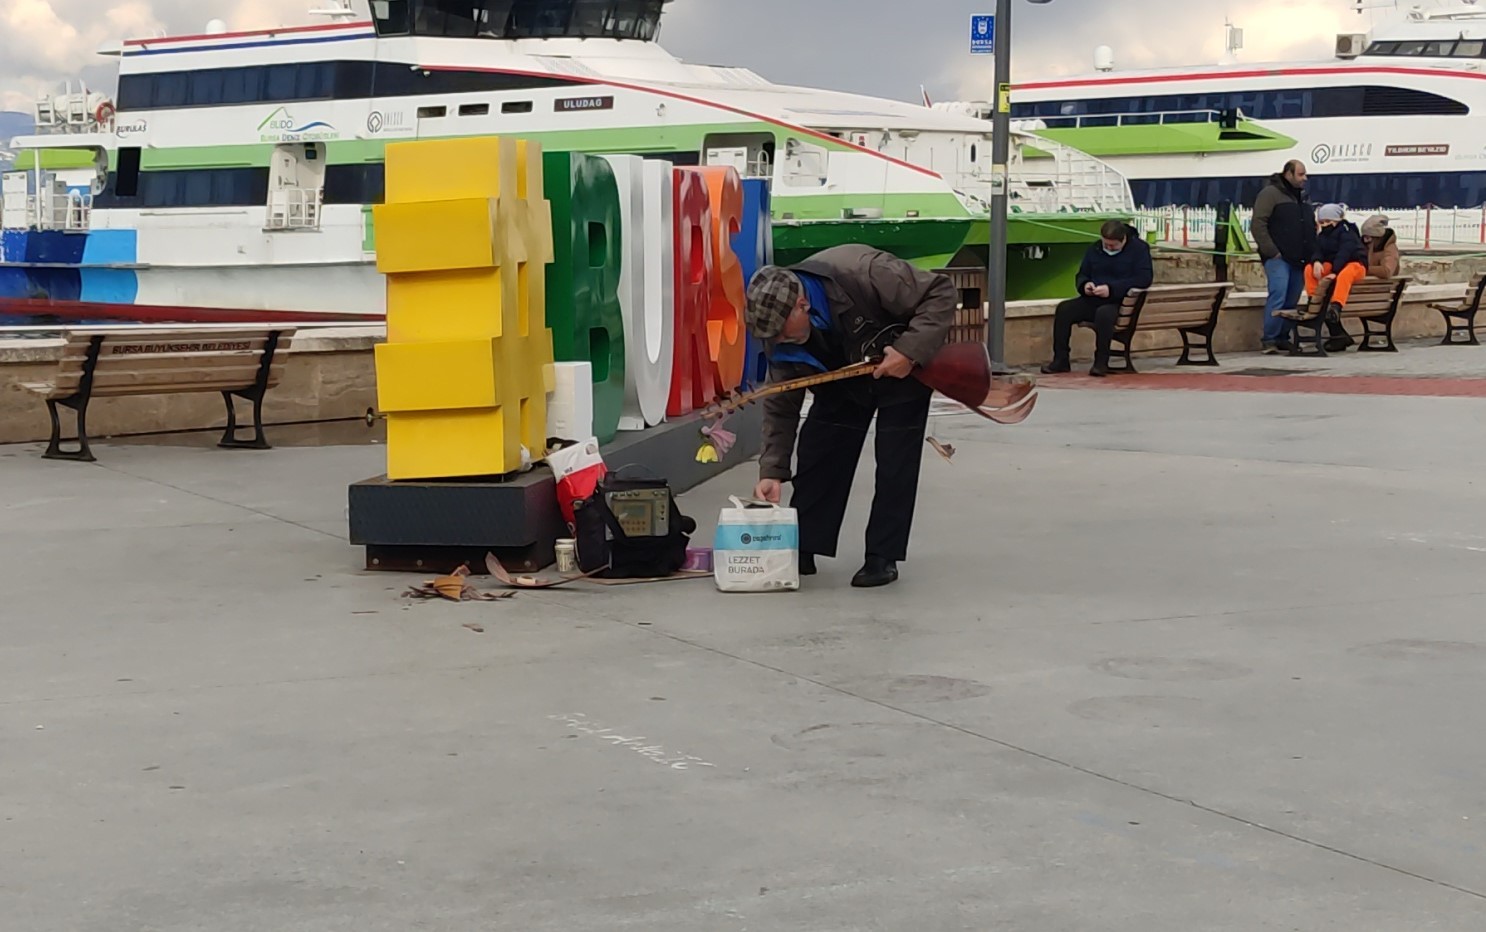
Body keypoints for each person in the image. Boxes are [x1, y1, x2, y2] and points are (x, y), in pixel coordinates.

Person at [744, 245, 955, 588]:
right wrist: (772, 469)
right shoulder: (776, 329)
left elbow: (941, 291)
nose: (779, 340)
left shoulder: (865, 272)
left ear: (803, 304)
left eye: (783, 332)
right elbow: (781, 403)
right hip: (841, 378)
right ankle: (805, 547)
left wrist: (909, 351)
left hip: (903, 370)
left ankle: (882, 557)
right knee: (818, 452)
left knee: (894, 462)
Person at [1040, 220, 1153, 377]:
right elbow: (1082, 273)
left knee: (1104, 314)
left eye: (1112, 246)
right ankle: (1061, 360)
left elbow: (1144, 278)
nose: (1108, 248)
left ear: (1123, 240)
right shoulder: (1095, 249)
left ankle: (1101, 362)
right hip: (1093, 298)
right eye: (1105, 244)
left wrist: (1111, 289)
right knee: (1064, 309)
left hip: (1119, 302)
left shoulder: (1139, 250)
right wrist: (1085, 285)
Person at [1251, 160, 1315, 354]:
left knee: (1291, 299)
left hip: (1299, 258)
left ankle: (1283, 337)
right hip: (1278, 258)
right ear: (1288, 174)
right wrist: (1272, 251)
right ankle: (1269, 339)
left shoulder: (1302, 197)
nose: (1305, 178)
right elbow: (1258, 224)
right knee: (1278, 294)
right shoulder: (1270, 194)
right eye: (1301, 174)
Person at [1361, 214, 1400, 279]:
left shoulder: (1389, 248)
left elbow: (1387, 271)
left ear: (1377, 238)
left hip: (1380, 286)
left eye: (1368, 238)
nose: (1365, 241)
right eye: (1364, 237)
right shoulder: (1367, 245)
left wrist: (1364, 269)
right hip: (1371, 284)